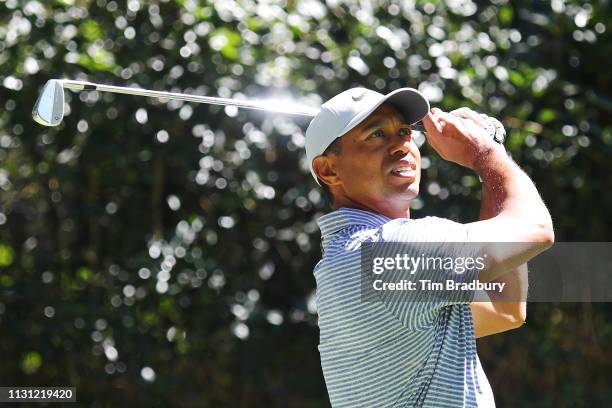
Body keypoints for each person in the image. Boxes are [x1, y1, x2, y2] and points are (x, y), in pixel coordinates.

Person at [304, 87, 554, 407]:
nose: (400, 146)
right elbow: (536, 230)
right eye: (376, 134)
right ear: (328, 170)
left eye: (405, 132)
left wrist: (490, 158)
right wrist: (485, 154)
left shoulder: (351, 259)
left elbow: (503, 307)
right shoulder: (385, 252)